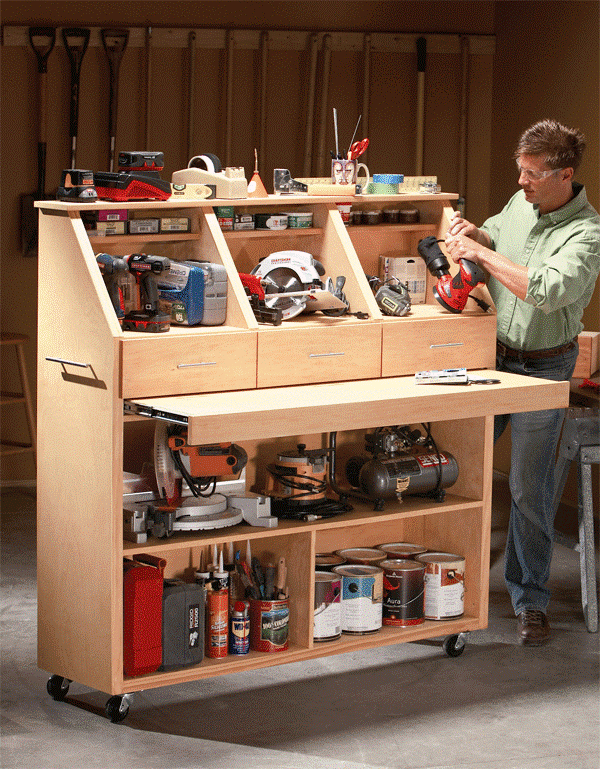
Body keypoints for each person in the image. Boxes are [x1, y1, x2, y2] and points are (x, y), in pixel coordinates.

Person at [445, 119, 600, 645]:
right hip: (493, 361)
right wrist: (475, 234)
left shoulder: (587, 235)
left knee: (529, 491)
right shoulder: (522, 205)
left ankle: (530, 602)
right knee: (456, 472)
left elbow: (544, 289)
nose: (522, 183)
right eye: (520, 171)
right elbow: (497, 231)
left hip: (544, 367)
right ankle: (446, 589)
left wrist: (482, 255)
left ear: (565, 175)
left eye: (532, 175)